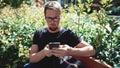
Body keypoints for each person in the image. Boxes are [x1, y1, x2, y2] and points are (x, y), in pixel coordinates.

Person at [24, 1, 96, 68]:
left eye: (55, 18)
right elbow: (32, 59)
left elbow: (91, 50)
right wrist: (43, 53)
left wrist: (69, 51)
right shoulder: (39, 34)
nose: (52, 22)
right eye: (49, 18)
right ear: (45, 17)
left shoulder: (67, 34)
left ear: (60, 17)